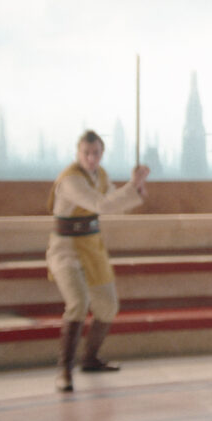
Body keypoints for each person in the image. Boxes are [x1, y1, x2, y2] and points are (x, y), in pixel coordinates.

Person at [47, 130, 149, 392]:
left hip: (92, 248)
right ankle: (64, 371)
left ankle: (90, 358)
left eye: (96, 153)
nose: (91, 158)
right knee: (78, 303)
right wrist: (131, 186)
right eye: (87, 153)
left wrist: (136, 187)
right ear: (78, 153)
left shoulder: (100, 176)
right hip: (66, 250)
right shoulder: (71, 180)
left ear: (102, 154)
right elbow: (101, 204)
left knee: (107, 305)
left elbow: (116, 203)